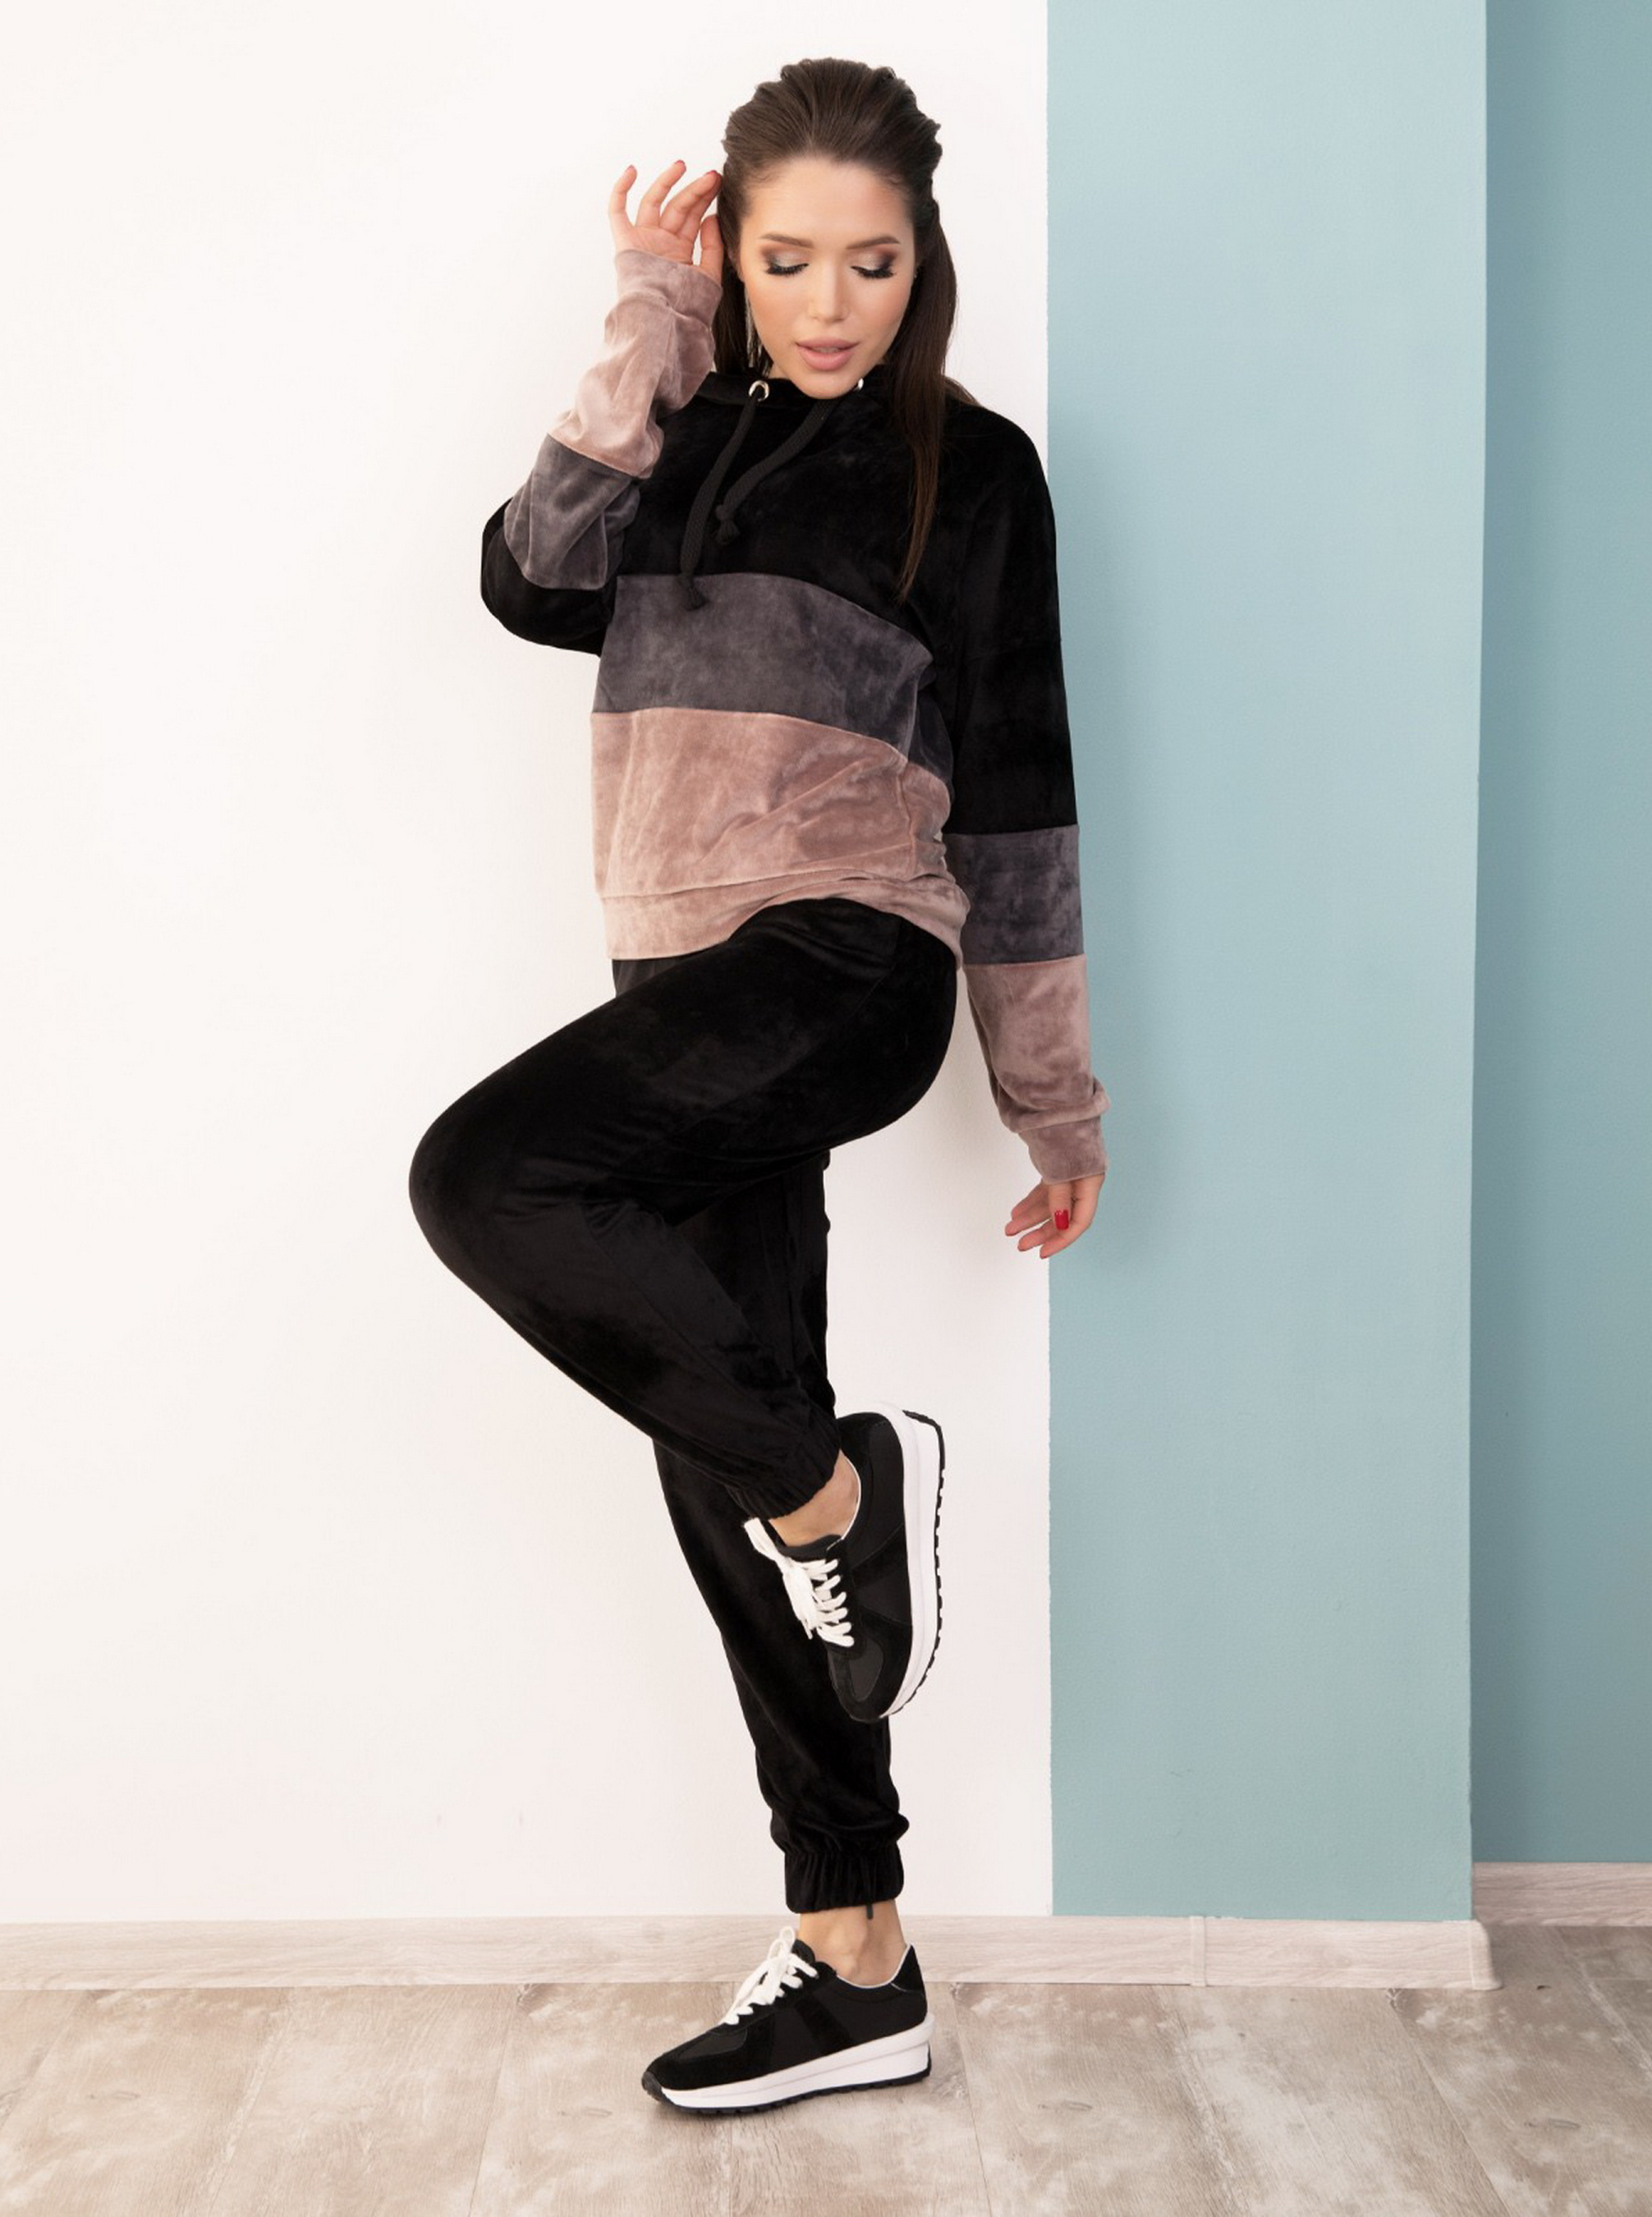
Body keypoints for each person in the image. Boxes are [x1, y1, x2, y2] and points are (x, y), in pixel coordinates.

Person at [407, 56, 1111, 2114]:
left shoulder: (971, 473)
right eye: (784, 259)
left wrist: (1053, 1101)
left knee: (480, 1178)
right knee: (714, 1450)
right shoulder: (678, 439)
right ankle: (856, 1954)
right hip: (680, 993)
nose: (827, 302)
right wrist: (648, 311)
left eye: (868, 262)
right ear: (732, 251)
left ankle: (838, 1487)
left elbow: (1021, 800)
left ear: (921, 261)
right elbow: (529, 577)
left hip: (844, 964)